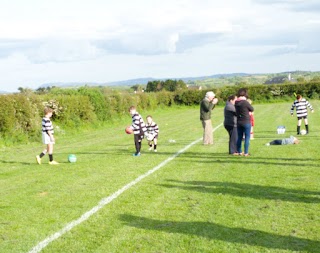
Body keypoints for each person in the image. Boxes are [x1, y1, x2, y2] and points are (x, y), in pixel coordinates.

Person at [235, 88, 254, 156]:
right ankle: (246, 152)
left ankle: (239, 151)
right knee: (247, 137)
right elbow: (252, 109)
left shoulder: (236, 102)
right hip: (246, 121)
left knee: (239, 137)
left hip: (239, 121)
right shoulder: (245, 102)